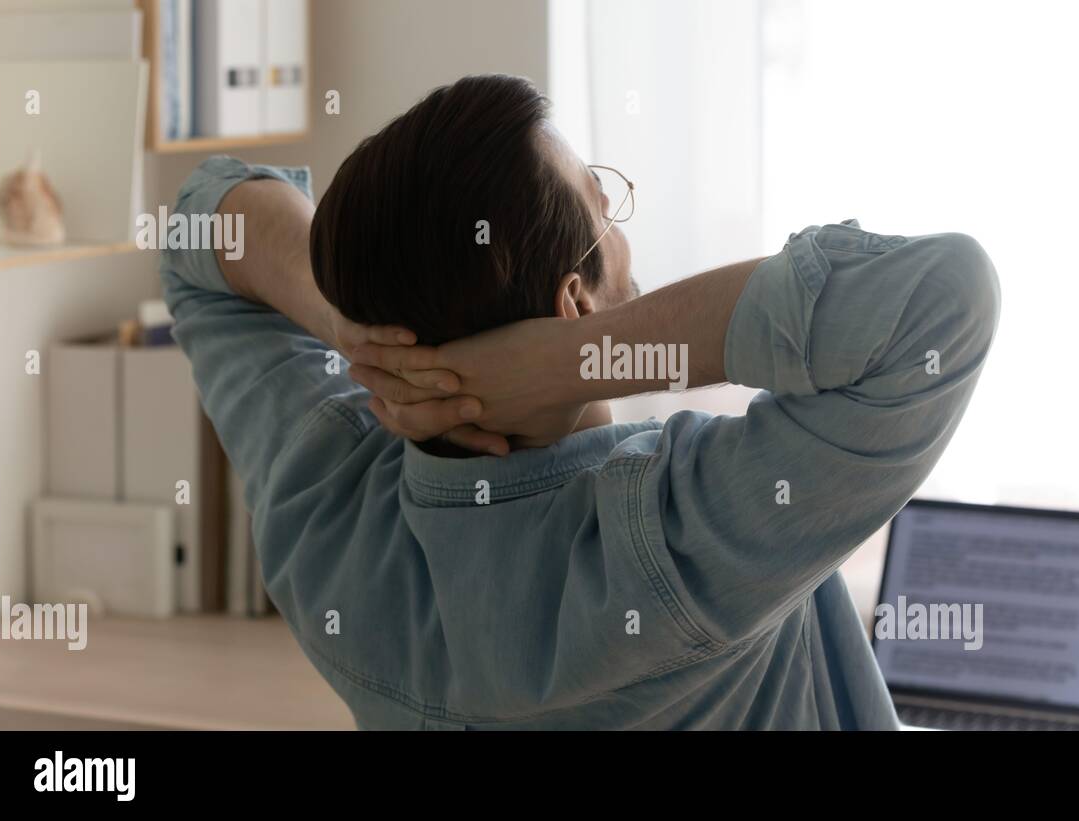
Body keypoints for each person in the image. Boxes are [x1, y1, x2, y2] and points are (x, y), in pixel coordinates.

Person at [161, 74, 999, 729]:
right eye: (604, 206)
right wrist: (580, 361)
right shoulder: (688, 533)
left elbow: (196, 228)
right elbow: (942, 300)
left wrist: (354, 331)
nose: (623, 220)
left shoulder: (330, 514)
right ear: (575, 307)